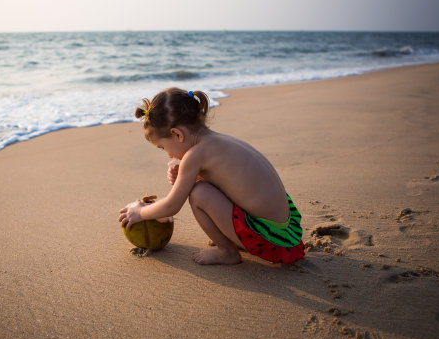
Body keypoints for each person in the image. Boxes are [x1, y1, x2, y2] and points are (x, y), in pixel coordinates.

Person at [118, 88, 305, 265]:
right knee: (201, 187)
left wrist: (139, 213)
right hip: (285, 230)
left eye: (163, 147)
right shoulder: (217, 141)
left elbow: (171, 206)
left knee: (198, 194)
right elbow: (229, 185)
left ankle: (227, 252)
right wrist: (188, 179)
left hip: (270, 239)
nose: (167, 154)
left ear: (177, 134)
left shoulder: (195, 156)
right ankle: (232, 239)